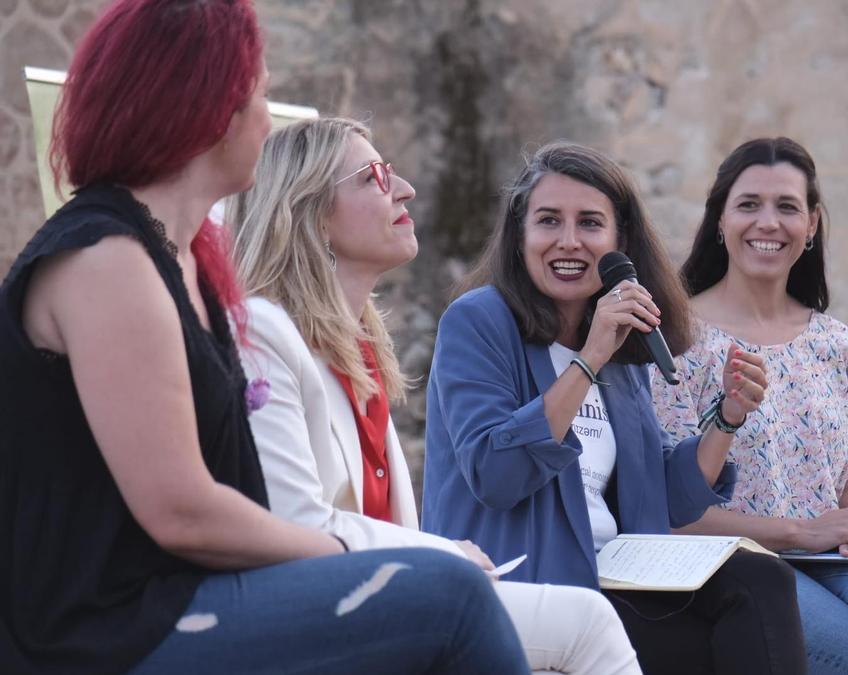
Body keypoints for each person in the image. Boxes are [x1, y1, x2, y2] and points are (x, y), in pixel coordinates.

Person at [0, 2, 528, 673]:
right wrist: (349, 558)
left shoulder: (186, 262)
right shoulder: (107, 258)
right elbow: (181, 512)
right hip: (105, 631)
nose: (266, 117)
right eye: (261, 94)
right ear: (208, 110)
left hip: (180, 602)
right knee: (449, 598)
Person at [227, 116, 641, 675]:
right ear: (310, 211)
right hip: (315, 609)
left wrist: (726, 422)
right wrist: (445, 555)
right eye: (374, 176)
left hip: (382, 595)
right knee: (586, 623)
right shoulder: (263, 332)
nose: (405, 189)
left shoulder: (362, 349)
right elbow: (297, 522)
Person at [421, 141, 807, 675]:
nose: (569, 241)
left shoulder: (622, 353)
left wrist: (728, 417)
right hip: (533, 590)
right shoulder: (480, 322)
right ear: (520, 235)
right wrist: (590, 356)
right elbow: (495, 471)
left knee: (760, 581)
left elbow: (663, 494)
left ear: (618, 241)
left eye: (590, 223)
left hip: (622, 580)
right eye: (549, 221)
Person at [652, 137, 848, 674]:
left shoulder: (835, 341)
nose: (767, 222)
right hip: (737, 565)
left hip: (829, 561)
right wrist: (805, 532)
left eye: (787, 207)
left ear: (813, 223)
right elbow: (672, 513)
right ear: (720, 219)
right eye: (749, 205)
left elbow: (847, 488)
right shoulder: (677, 340)